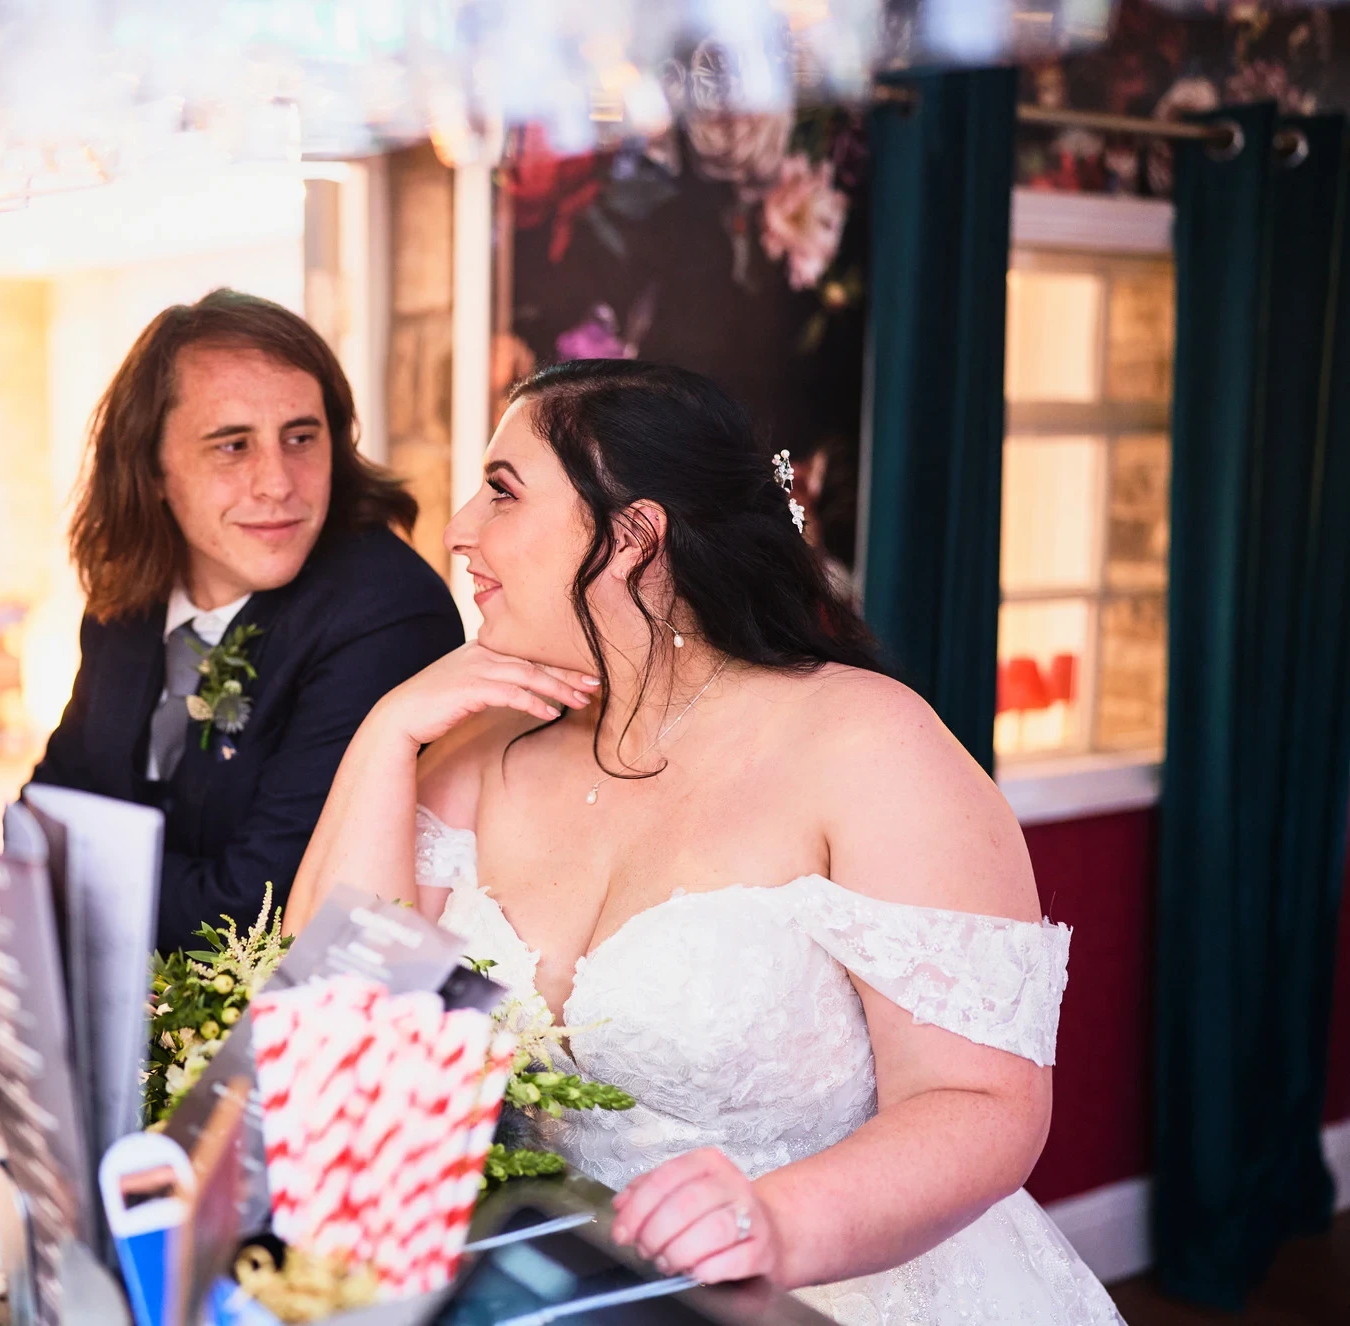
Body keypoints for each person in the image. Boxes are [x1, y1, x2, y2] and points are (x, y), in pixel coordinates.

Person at [287, 360, 1122, 1322]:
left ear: (633, 538)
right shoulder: (480, 741)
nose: (458, 528)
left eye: (502, 493)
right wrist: (386, 734)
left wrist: (772, 1223)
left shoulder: (869, 746)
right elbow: (330, 1040)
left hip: (828, 1289)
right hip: (554, 1292)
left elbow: (981, 1104)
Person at [30, 290, 462, 954]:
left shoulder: (386, 613)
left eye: (301, 438)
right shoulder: (132, 588)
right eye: (233, 445)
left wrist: (77, 870)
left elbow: (247, 912)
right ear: (150, 467)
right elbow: (46, 809)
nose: (277, 483)